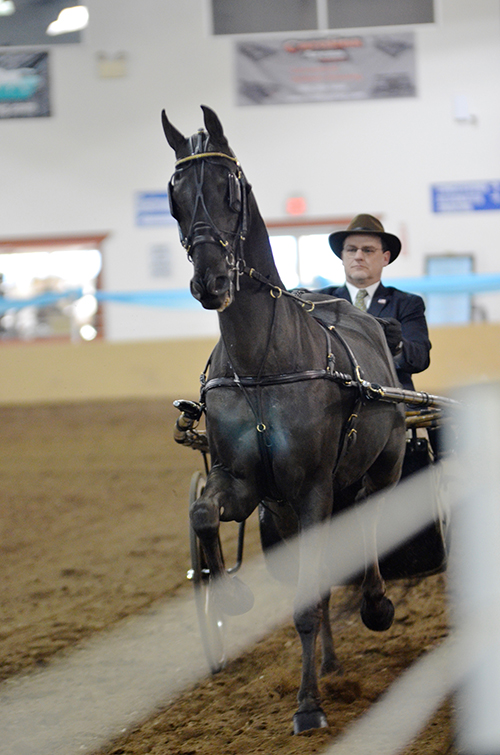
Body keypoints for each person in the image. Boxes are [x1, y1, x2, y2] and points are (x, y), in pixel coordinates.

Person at [314, 214, 431, 391]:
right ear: (342, 257)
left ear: (385, 258)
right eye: (351, 250)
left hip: (391, 401)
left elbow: (420, 359)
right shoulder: (321, 302)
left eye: (368, 250)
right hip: (335, 401)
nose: (358, 256)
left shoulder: (407, 303)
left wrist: (397, 346)